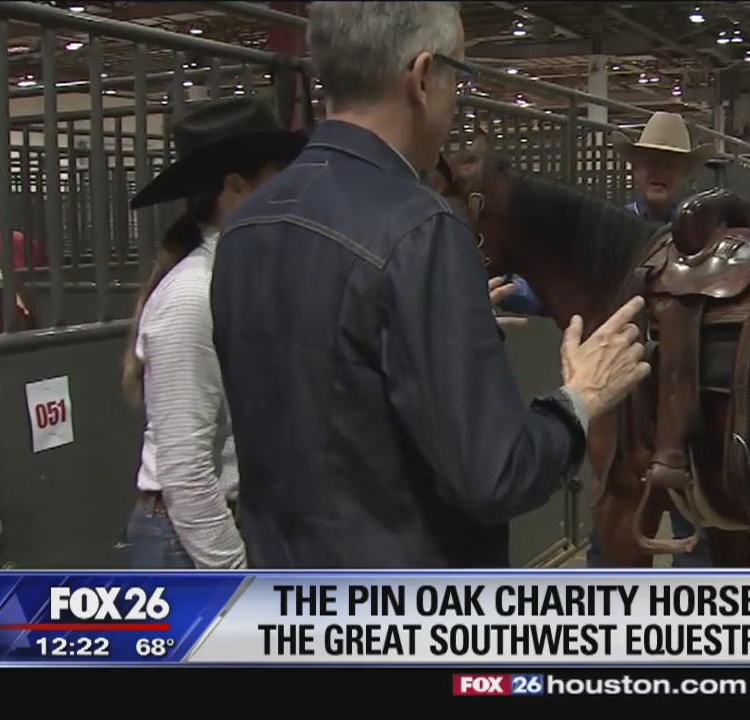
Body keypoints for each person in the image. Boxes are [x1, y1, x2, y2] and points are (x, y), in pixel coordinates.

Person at [209, 2, 650, 568]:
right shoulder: (423, 229)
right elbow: (496, 476)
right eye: (457, 77)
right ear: (422, 78)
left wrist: (432, 335)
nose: (457, 98)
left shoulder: (246, 225)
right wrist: (581, 399)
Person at [501, 111, 715, 568]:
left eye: (670, 162)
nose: (658, 170)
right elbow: (557, 290)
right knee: (614, 519)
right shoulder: (602, 232)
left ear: (685, 173)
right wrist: (510, 292)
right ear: (635, 167)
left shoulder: (704, 240)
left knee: (695, 527)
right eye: (650, 161)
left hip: (682, 404)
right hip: (622, 406)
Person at [121, 97, 306, 569]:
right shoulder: (192, 296)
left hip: (211, 528)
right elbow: (185, 470)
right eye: (280, 178)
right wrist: (233, 580)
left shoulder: (235, 278)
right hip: (187, 542)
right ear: (238, 187)